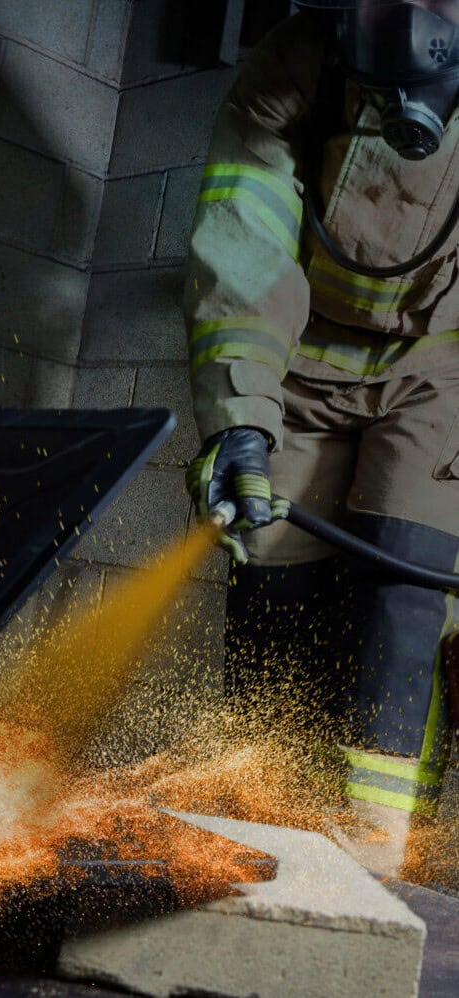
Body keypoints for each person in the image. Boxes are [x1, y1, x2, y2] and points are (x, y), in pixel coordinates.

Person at [183, 0, 459, 876]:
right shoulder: (294, 62)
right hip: (303, 360)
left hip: (442, 365)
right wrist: (242, 422)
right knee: (269, 576)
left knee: (405, 598)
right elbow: (244, 240)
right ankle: (257, 830)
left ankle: (377, 868)